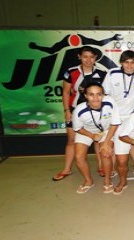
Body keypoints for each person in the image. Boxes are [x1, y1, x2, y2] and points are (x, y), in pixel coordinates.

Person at [53, 46, 107, 181]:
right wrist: (66, 111)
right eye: (85, 56)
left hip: (96, 112)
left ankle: (101, 167)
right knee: (71, 140)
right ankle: (67, 169)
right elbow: (66, 92)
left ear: (95, 58)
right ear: (79, 57)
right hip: (74, 111)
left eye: (91, 57)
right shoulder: (71, 72)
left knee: (98, 139)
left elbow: (104, 95)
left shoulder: (102, 73)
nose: (88, 60)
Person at [102, 50, 134, 177]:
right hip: (115, 116)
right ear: (121, 62)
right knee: (115, 142)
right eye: (126, 62)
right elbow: (105, 95)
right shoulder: (112, 73)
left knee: (131, 141)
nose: (129, 65)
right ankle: (113, 167)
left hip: (132, 115)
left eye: (133, 62)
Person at [72, 83, 120, 194]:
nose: (95, 98)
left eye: (99, 94)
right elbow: (78, 129)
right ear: (85, 96)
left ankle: (107, 181)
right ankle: (88, 181)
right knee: (79, 156)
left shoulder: (110, 102)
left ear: (103, 95)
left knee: (105, 152)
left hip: (106, 130)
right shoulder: (79, 110)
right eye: (91, 95)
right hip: (86, 131)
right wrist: (92, 136)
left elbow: (115, 124)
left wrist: (105, 143)